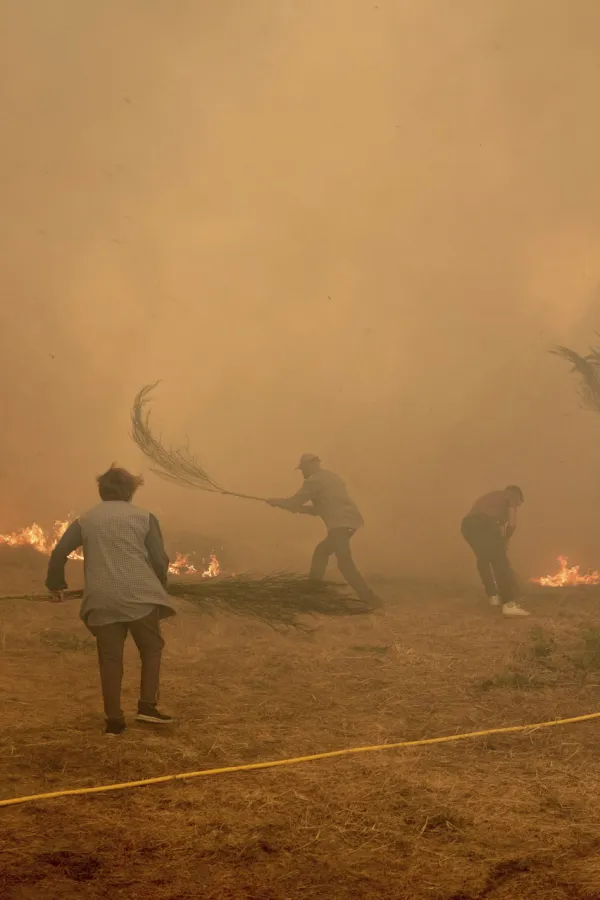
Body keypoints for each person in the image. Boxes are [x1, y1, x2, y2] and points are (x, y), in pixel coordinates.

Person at [46, 465, 176, 735]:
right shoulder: (145, 518)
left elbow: (58, 553)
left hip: (101, 599)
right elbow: (159, 560)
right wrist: (160, 585)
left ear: (102, 491)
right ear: (130, 491)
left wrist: (56, 585)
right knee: (151, 648)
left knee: (110, 658)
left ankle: (114, 721)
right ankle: (147, 706)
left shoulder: (85, 520)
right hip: (141, 596)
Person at [267, 454, 379, 604]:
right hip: (350, 522)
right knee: (321, 552)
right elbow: (318, 509)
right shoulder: (330, 477)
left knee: (344, 563)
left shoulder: (314, 481)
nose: (303, 472)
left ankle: (368, 597)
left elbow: (294, 502)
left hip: (340, 524)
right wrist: (293, 507)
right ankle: (314, 591)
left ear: (310, 466)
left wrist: (278, 503)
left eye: (303, 469)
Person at [461, 485, 529, 618]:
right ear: (518, 495)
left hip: (467, 526)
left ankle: (493, 596)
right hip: (485, 524)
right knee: (500, 563)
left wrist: (501, 540)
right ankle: (509, 604)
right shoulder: (512, 495)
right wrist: (506, 539)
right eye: (519, 503)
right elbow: (512, 524)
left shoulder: (493, 497)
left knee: (484, 558)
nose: (518, 506)